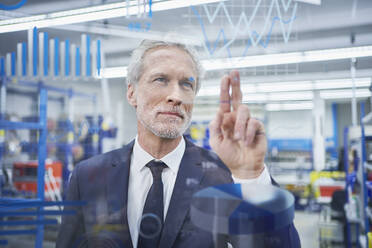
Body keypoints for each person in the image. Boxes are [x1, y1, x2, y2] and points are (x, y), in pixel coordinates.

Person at [56, 40, 300, 248]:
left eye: (187, 84)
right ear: (132, 93)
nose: (177, 96)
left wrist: (250, 175)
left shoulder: (222, 176)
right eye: (161, 79)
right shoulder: (88, 176)